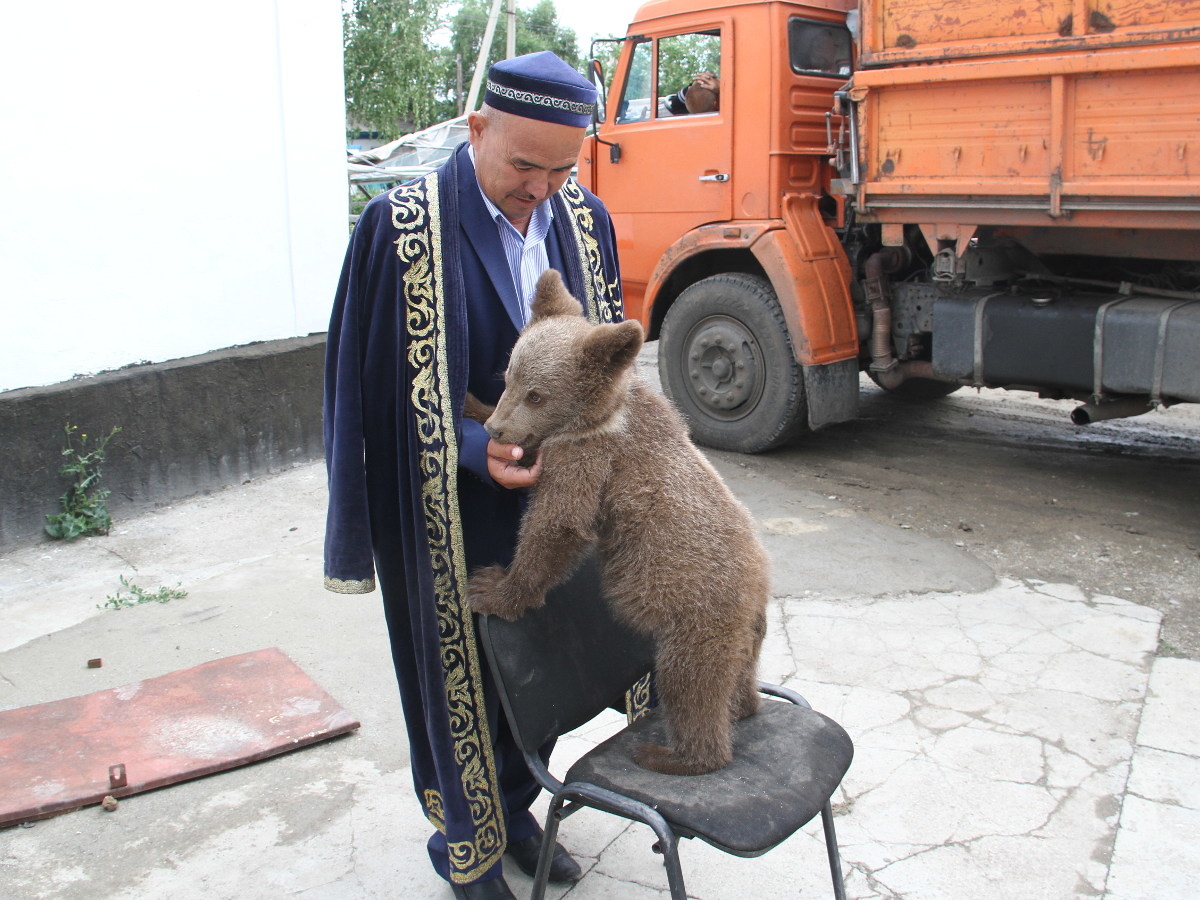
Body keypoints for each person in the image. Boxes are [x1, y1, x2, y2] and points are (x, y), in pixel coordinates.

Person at [322, 52, 623, 900]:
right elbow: (369, 387)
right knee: (459, 679)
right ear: (477, 129)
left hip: (548, 507)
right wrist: (465, 442)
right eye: (524, 164)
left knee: (537, 669)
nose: (541, 187)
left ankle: (518, 807)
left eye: (563, 167)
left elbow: (599, 365)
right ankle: (466, 844)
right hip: (443, 508)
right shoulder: (399, 228)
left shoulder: (583, 219)